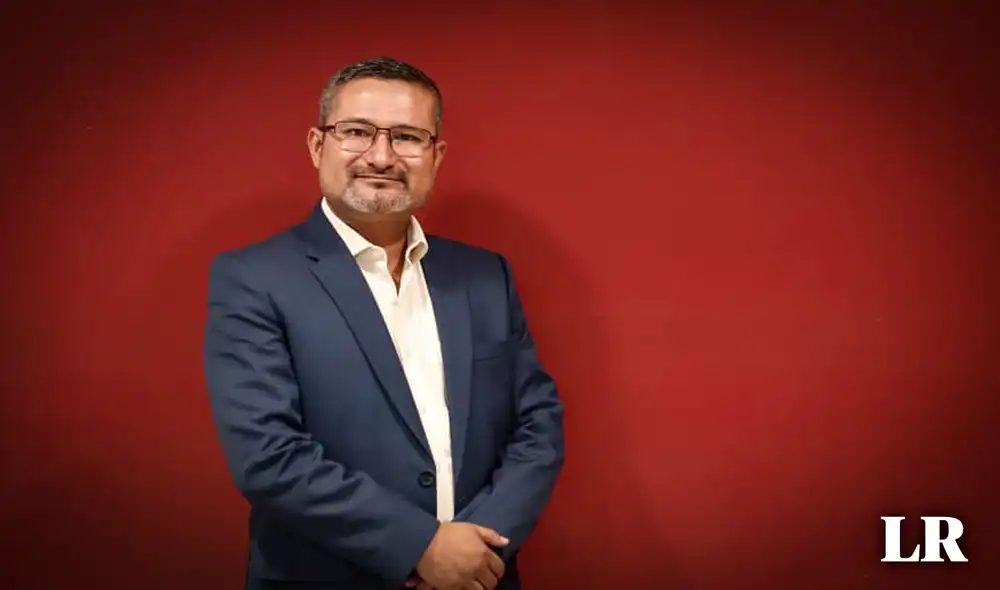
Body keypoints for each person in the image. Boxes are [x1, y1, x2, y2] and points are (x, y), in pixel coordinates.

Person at [202, 56, 566, 590]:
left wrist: (479, 547)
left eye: (407, 137)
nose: (381, 155)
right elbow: (269, 455)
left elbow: (538, 425)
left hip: (480, 578)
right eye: (356, 132)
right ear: (316, 145)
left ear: (436, 155)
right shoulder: (252, 278)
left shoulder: (486, 275)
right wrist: (420, 547)